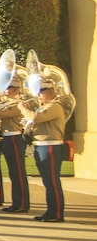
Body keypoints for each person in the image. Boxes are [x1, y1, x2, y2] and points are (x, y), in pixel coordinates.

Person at [20, 78, 72, 222]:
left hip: (50, 146)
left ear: (50, 91)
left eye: (41, 91)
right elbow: (36, 121)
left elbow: (35, 117)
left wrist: (23, 109)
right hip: (41, 146)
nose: (38, 95)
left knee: (52, 182)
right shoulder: (45, 106)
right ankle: (50, 211)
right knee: (48, 182)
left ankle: (56, 213)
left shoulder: (54, 106)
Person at [0, 77, 30, 213]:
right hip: (7, 138)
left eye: (8, 88)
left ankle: (22, 203)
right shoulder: (7, 103)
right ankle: (16, 202)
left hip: (15, 137)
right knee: (13, 172)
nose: (4, 91)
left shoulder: (18, 104)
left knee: (18, 172)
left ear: (16, 89)